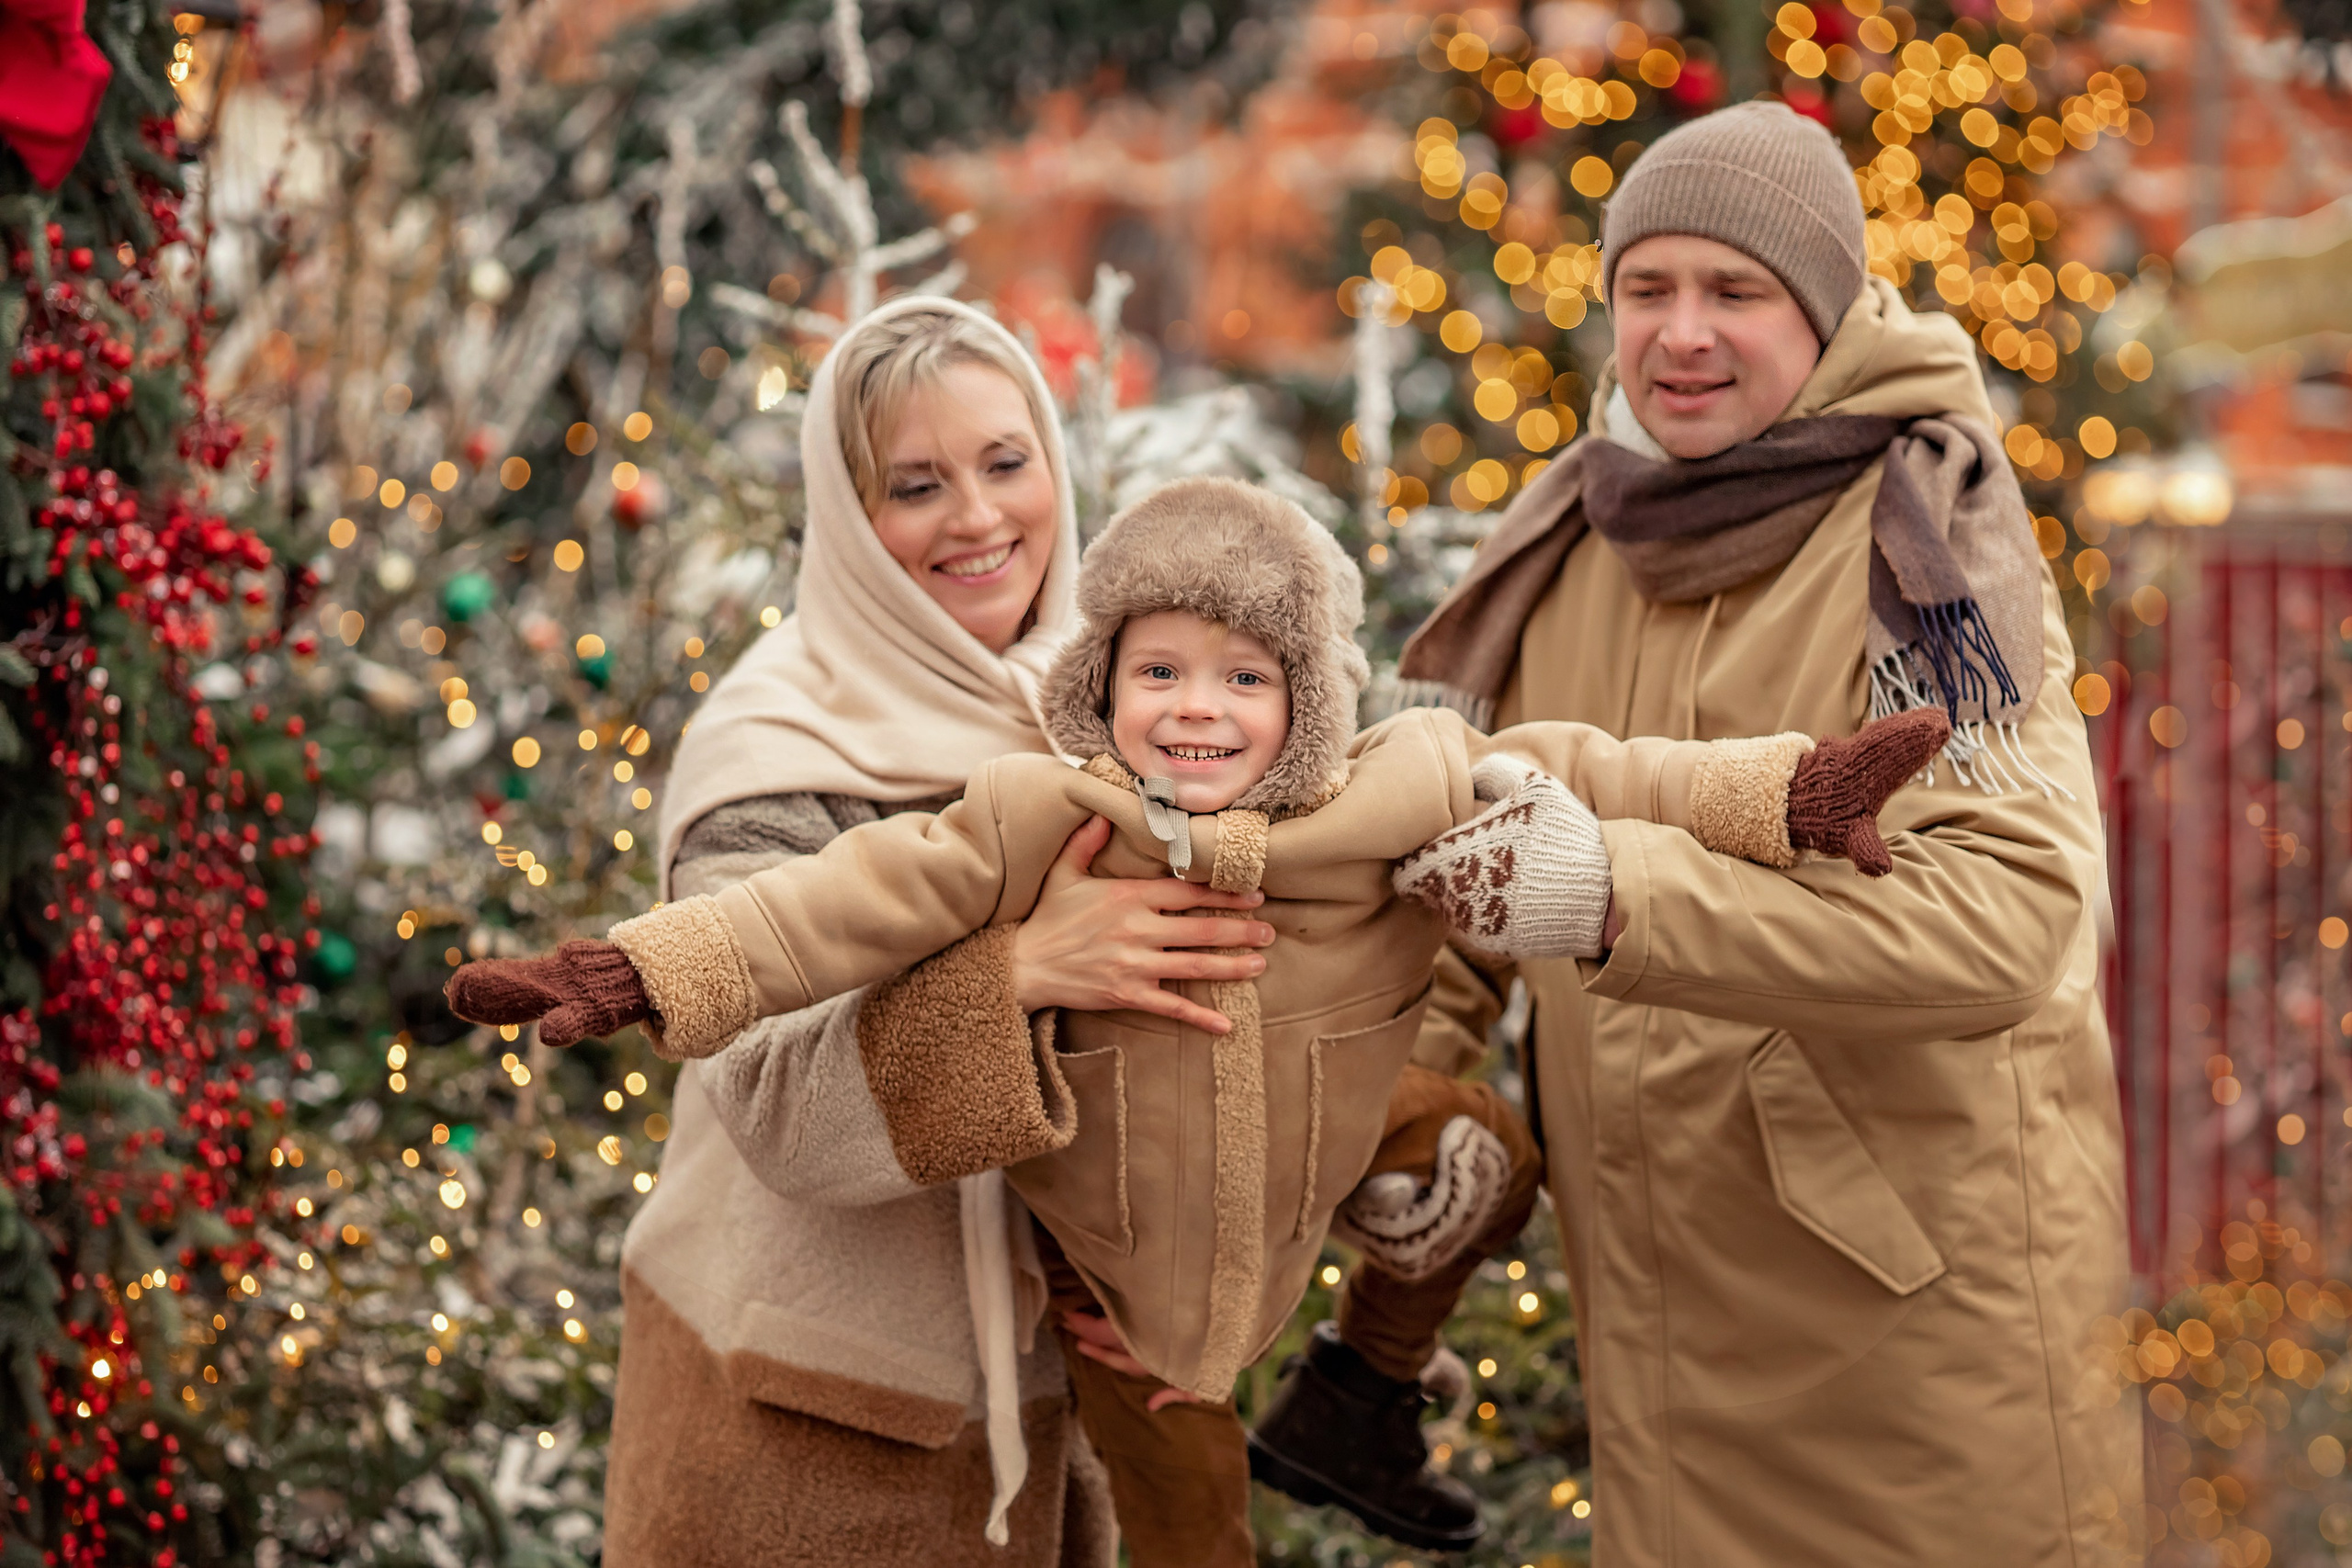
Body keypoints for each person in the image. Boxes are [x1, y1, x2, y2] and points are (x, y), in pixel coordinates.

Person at [453, 474, 1945, 1563]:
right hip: (1128, 1271)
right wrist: (632, 974)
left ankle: (1361, 1394)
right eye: (1157, 672)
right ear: (1101, 686)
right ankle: (1228, 1407)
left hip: (1323, 1128)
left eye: (1244, 678)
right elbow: (828, 909)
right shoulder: (1039, 815)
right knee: (1191, 1532)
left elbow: (1610, 766)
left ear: (1308, 700)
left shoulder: (1398, 780)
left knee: (1479, 1156)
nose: (1195, 709)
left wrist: (1793, 792)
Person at [1396, 101, 2140, 1564]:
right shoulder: (1571, 539)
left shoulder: (1927, 535)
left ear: (1825, 310)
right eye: (1646, 290)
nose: (1682, 335)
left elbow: (2007, 922)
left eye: (1735, 291)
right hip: (1659, 1339)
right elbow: (1461, 860)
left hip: (1917, 1357)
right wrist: (1402, 1111)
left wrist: (1616, 897)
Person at [593, 297, 1278, 1567]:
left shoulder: (1128, 707)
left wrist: (1178, 1289)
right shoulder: (773, 747)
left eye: (1005, 463)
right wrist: (1023, 971)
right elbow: (776, 1107)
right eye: (916, 486)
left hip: (1060, 1415)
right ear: (851, 519)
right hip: (804, 1428)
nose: (977, 518)